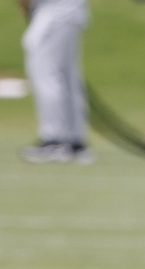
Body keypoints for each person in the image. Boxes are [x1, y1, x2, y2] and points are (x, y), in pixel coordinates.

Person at [19, 0, 93, 164]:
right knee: (67, 76)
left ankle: (54, 140)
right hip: (71, 10)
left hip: (54, 11)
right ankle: (74, 141)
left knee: (45, 73)